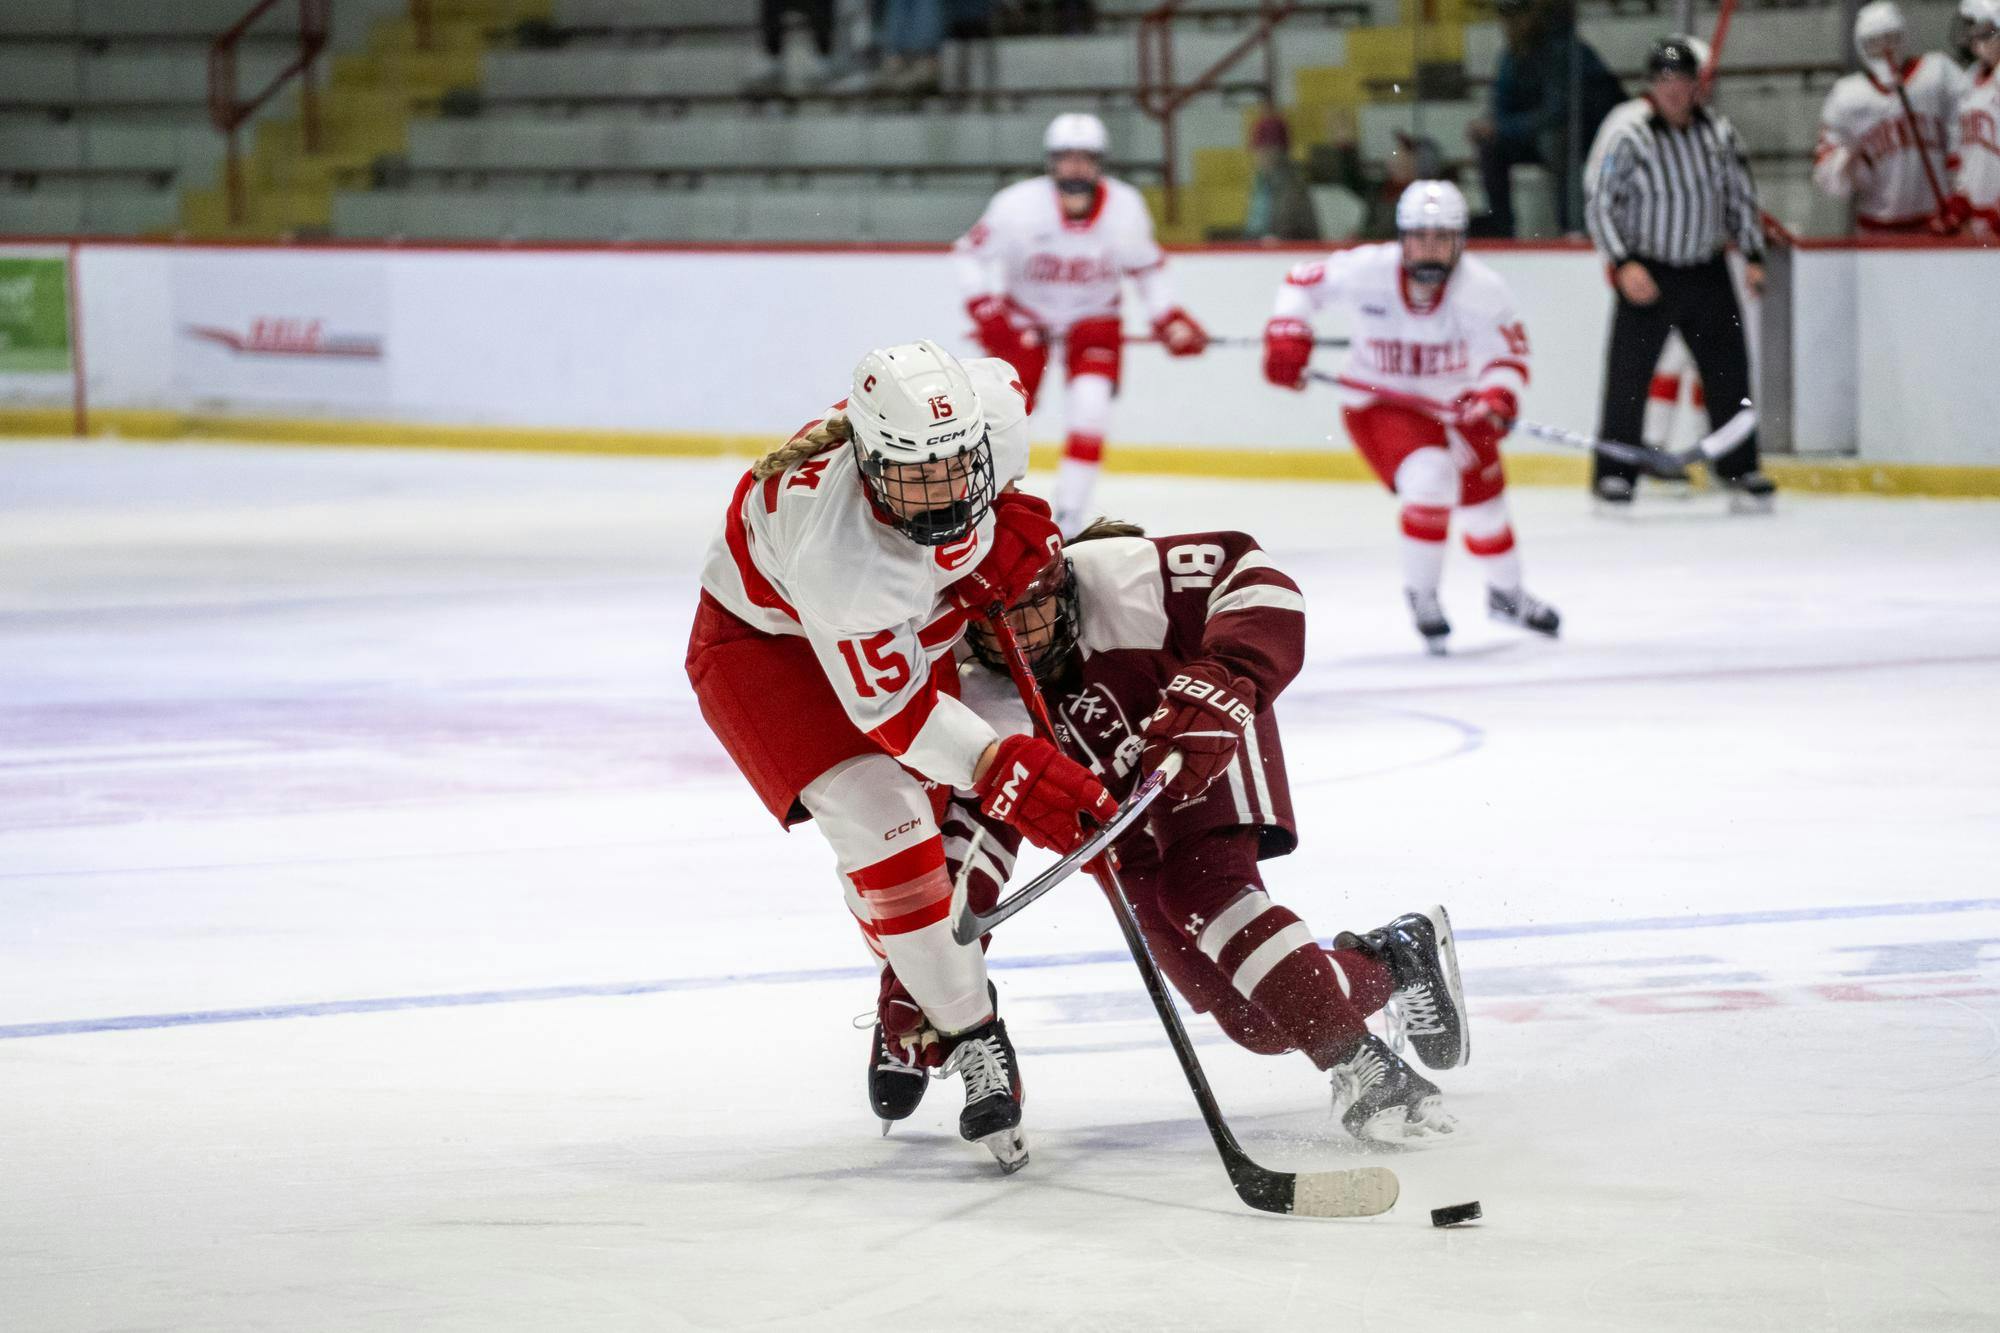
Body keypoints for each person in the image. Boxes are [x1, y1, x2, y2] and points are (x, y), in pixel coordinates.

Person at [684, 339, 1119, 1173]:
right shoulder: (844, 558)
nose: (943, 496)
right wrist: (1003, 765)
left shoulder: (981, 422)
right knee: (887, 828)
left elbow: (1002, 388)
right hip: (762, 649)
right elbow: (899, 712)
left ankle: (910, 967)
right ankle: (968, 1023)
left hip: (893, 622)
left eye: (959, 471)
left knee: (926, 834)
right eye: (914, 479)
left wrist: (1003, 535)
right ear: (869, 459)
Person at [912, 520, 1468, 1143]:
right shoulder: (959, 682)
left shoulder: (1119, 576)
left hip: (1203, 734)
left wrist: (1226, 676)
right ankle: (1394, 960)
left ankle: (1363, 1064)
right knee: (1258, 1023)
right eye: (993, 623)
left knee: (1200, 888)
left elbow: (1256, 578)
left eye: (1028, 611)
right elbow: (977, 826)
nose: (1014, 637)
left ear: (1061, 583)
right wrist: (922, 970)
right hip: (1119, 817)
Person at [1262, 180, 1562, 655]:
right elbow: (1301, 283)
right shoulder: (1369, 270)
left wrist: (1497, 398)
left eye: (1441, 239)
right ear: (1402, 238)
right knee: (1430, 479)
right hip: (1381, 403)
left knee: (1486, 510)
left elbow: (1505, 358)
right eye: (1420, 238)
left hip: (1454, 408)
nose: (1430, 250)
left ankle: (1507, 595)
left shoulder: (1483, 290)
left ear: (1459, 241)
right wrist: (1288, 332)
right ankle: (1423, 596)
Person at [953, 112, 1211, 536]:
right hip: (1025, 319)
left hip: (1094, 319)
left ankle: (1069, 521)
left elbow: (1147, 268)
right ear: (1050, 161)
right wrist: (986, 309)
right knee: (1003, 419)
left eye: (1084, 157)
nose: (1074, 167)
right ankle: (984, 510)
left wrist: (1168, 317)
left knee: (1091, 411)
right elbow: (969, 253)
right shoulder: (1016, 205)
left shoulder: (1125, 207)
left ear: (1099, 162)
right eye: (1065, 157)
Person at [1584, 36, 1774, 506]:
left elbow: (1740, 198)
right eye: (1664, 80)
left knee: (1730, 374)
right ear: (1651, 85)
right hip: (1651, 271)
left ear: (1696, 85)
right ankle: (1616, 472)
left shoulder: (1719, 134)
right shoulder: (1629, 134)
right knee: (1628, 378)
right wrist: (1622, 261)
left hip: (1707, 271)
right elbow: (1601, 202)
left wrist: (1752, 255)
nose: (1673, 89)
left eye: (1682, 79)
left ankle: (1739, 468)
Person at [1467, 0, 1625, 236]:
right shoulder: (1511, 56)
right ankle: (1501, 228)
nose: (1509, 24)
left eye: (1517, 16)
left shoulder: (1564, 50)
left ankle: (1571, 227)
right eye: (1506, 17)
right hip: (1538, 135)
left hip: (1587, 136)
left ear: (1533, 16)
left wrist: (1502, 127)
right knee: (1491, 146)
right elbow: (1502, 106)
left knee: (1557, 141)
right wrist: (1492, 127)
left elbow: (1557, 114)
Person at [1813, 1, 1964, 234]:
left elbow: (1966, 130)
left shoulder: (1938, 73)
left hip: (1937, 222)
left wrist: (1959, 192)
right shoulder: (1847, 96)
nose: (1884, 49)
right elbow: (1829, 179)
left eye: (1890, 38)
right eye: (1874, 43)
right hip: (1877, 226)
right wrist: (1846, 157)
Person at [1948, 0, 2000, 236]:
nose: (1973, 37)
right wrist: (1961, 198)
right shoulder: (1968, 80)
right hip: (1980, 218)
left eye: (1981, 29)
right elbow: (1966, 152)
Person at [1243, 104, 1321, 242]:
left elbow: (1297, 229)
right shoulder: (1261, 181)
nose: (1258, 156)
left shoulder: (1292, 184)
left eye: (1264, 150)